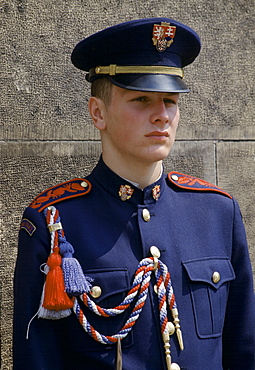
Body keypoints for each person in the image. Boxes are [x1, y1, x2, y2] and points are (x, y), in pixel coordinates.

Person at [13, 18, 255, 370]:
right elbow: (39, 359)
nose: (162, 115)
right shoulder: (54, 223)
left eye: (170, 101)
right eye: (141, 99)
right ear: (98, 112)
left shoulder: (217, 212)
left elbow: (243, 349)